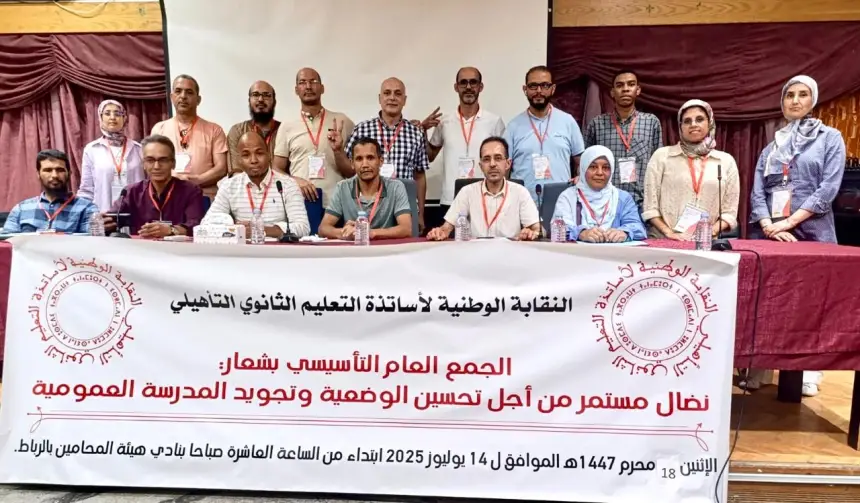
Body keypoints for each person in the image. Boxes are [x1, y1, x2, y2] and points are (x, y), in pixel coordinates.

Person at [745, 75, 846, 397]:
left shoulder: (830, 138)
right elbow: (758, 191)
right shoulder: (772, 146)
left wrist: (789, 222)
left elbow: (828, 188)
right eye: (789, 95)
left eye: (803, 94)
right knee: (768, 302)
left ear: (812, 100)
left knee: (813, 304)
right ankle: (760, 368)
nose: (795, 100)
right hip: (771, 234)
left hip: (813, 230)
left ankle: (810, 372)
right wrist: (767, 224)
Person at [642, 100, 739, 239]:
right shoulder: (662, 156)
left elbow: (729, 212)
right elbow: (650, 207)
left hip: (706, 242)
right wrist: (669, 233)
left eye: (699, 119)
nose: (693, 124)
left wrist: (709, 232)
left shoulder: (725, 161)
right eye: (687, 121)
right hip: (664, 240)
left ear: (710, 123)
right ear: (680, 127)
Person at [345, 77, 431, 232]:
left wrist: (421, 214)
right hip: (369, 207)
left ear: (404, 100)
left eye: (397, 94)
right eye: (387, 93)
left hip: (405, 208)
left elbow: (419, 176)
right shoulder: (361, 130)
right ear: (380, 98)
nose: (392, 98)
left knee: (407, 247)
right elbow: (348, 167)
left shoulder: (415, 133)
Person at [425, 67, 506, 215]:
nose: (468, 87)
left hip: (485, 197)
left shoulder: (494, 121)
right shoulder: (445, 121)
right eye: (463, 83)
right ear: (456, 87)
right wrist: (423, 131)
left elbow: (503, 162)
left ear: (480, 87)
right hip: (450, 199)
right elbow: (430, 156)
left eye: (473, 82)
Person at [427, 137, 539, 241]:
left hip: (510, 252)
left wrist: (530, 232)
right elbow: (446, 228)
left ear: (508, 163)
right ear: (480, 166)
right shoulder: (467, 192)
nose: (492, 164)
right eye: (486, 159)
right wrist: (440, 232)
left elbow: (535, 229)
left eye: (498, 158)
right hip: (474, 252)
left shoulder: (520, 192)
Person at [202, 131, 310, 239]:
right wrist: (235, 228)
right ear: (239, 160)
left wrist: (261, 230)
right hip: (243, 247)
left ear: (269, 155)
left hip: (276, 247)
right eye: (246, 155)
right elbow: (206, 224)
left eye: (259, 153)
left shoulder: (287, 185)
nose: (253, 160)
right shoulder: (229, 186)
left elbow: (303, 228)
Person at [273, 68, 356, 205]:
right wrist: (295, 181)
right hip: (300, 202)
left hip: (337, 203)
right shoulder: (287, 126)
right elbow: (276, 169)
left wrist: (338, 152)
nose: (308, 86)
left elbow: (354, 171)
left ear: (322, 88)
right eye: (302, 82)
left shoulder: (341, 121)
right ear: (296, 90)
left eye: (313, 81)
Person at [584, 70, 662, 211]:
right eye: (620, 85)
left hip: (641, 202)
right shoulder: (597, 124)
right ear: (612, 92)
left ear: (638, 90)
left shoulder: (651, 122)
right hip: (605, 202)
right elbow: (586, 165)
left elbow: (659, 165)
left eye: (631, 84)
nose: (625, 89)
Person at [505, 65, 585, 201]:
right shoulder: (513, 126)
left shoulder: (567, 121)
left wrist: (580, 177)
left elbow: (580, 162)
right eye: (533, 86)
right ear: (525, 89)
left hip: (561, 200)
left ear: (553, 89)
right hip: (522, 201)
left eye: (544, 85)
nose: (539, 91)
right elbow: (505, 168)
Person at [104, 135, 204, 238]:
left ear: (173, 163)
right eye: (150, 160)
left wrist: (171, 230)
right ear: (144, 164)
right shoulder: (131, 192)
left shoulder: (190, 191)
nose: (156, 166)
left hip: (178, 247)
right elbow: (113, 218)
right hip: (141, 247)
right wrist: (103, 222)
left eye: (163, 160)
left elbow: (197, 226)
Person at [151, 74, 228, 199]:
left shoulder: (214, 130)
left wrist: (196, 180)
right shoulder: (159, 129)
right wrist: (174, 179)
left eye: (189, 92)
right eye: (178, 91)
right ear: (171, 97)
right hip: (168, 197)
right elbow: (153, 164)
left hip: (204, 196)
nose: (183, 96)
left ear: (198, 100)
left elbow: (221, 168)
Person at [319, 137, 412, 241]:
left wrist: (370, 233)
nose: (365, 165)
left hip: (386, 249)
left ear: (381, 161)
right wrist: (346, 233)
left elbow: (406, 229)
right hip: (355, 248)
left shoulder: (396, 187)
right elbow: (323, 228)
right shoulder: (342, 187)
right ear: (352, 163)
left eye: (370, 158)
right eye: (359, 159)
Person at [554, 145, 646, 242]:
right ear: (583, 169)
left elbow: (638, 228)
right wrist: (581, 233)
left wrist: (624, 233)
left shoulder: (623, 198)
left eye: (606, 167)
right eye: (593, 167)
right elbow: (558, 229)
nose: (599, 172)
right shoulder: (568, 197)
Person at [1, 150, 98, 234]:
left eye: (60, 170)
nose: (54, 175)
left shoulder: (87, 208)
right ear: (38, 174)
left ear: (69, 173)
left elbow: (91, 244)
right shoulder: (20, 209)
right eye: (48, 170)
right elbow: (8, 243)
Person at [78, 100, 145, 212]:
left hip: (136, 214)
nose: (113, 117)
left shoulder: (139, 149)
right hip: (104, 214)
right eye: (107, 113)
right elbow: (86, 190)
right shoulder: (92, 150)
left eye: (117, 114)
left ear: (124, 118)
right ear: (100, 118)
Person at [226, 81, 281, 176]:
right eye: (255, 95)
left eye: (266, 95)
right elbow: (236, 172)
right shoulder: (237, 131)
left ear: (274, 102)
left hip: (280, 184)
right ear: (249, 101)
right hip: (245, 184)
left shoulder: (285, 130)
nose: (260, 99)